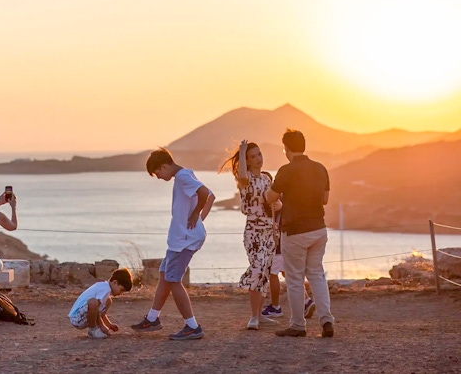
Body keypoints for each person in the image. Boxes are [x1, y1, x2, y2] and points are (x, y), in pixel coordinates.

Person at [131, 148, 215, 340]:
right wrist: (199, 219)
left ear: (165, 166)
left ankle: (192, 326)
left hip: (184, 240)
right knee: (164, 273)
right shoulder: (185, 175)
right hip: (180, 238)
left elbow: (204, 194)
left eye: (158, 173)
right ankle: (152, 319)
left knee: (174, 280)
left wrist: (196, 216)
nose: (158, 177)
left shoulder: (184, 176)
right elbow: (211, 196)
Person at [264, 129, 335, 338]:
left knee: (294, 279)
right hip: (319, 229)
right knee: (316, 275)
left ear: (286, 148)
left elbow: (270, 197)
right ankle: (327, 320)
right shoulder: (320, 168)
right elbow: (325, 199)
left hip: (295, 231)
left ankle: (297, 325)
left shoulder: (286, 170)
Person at [219, 140, 281, 330]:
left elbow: (276, 205)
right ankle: (254, 316)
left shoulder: (267, 178)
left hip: (269, 231)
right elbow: (243, 174)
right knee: (257, 270)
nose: (258, 159)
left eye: (259, 154)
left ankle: (259, 316)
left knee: (264, 272)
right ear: (246, 160)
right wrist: (243, 149)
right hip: (253, 232)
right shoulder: (244, 179)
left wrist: (278, 209)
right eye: (252, 157)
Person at [68, 268, 133, 339]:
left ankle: (97, 328)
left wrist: (109, 325)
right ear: (115, 282)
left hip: (82, 317)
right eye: (121, 290)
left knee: (108, 301)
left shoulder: (105, 288)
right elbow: (96, 308)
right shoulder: (105, 289)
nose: (121, 293)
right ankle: (93, 330)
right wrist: (102, 326)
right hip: (77, 319)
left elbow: (100, 312)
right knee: (93, 302)